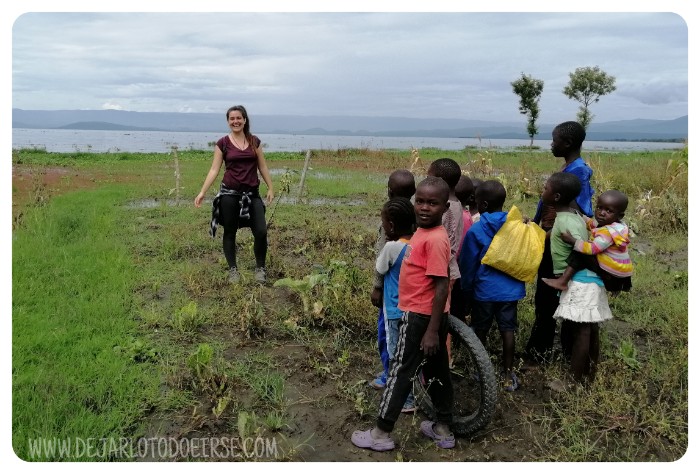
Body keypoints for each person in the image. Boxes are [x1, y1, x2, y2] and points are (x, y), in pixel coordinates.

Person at [351, 177, 454, 452]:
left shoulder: (434, 240)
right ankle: (443, 428)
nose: (423, 207)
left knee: (400, 371)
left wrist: (432, 331)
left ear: (445, 207)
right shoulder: (424, 231)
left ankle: (381, 431)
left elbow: (442, 285)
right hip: (429, 316)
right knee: (438, 371)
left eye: (432, 203)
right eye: (420, 201)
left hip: (421, 316)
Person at [525, 121, 594, 363]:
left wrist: (548, 233)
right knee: (546, 298)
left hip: (558, 244)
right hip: (552, 239)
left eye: (554, 140)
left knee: (548, 297)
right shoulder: (569, 168)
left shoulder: (578, 172)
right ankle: (545, 347)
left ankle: (543, 351)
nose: (551, 144)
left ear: (568, 143)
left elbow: (580, 210)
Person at [542, 172, 613, 384]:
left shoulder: (567, 223)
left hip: (581, 282)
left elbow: (582, 252)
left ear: (555, 197)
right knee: (589, 328)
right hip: (587, 281)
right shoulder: (572, 215)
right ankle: (588, 375)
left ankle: (572, 382)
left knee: (582, 331)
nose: (542, 191)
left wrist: (565, 277)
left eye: (545, 188)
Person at [458, 180, 526, 391]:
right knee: (508, 331)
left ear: (484, 205)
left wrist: (466, 293)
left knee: (480, 330)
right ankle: (508, 373)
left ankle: (480, 369)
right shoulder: (517, 227)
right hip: (510, 290)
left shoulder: (476, 231)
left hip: (484, 291)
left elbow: (467, 266)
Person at [194, 105, 274, 283]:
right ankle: (233, 270)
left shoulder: (255, 141)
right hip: (229, 194)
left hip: (252, 194)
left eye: (239, 118)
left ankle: (260, 268)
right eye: (232, 119)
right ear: (228, 121)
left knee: (261, 231)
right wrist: (202, 192)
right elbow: (214, 170)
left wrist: (270, 187)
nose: (235, 121)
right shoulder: (223, 143)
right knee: (230, 232)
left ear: (245, 120)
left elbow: (263, 166)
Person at [369, 169, 416, 390]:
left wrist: (376, 288)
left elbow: (380, 264)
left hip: (391, 299)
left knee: (389, 338)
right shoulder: (416, 224)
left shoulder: (390, 236)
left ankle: (390, 375)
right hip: (413, 300)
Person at [542, 190, 633, 292]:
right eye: (599, 208)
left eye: (608, 211)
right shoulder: (615, 225)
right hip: (620, 270)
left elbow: (592, 249)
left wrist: (573, 241)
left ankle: (562, 281)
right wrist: (582, 216)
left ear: (620, 216)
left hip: (610, 274)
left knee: (580, 252)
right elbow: (593, 224)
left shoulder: (608, 233)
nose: (602, 213)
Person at [427, 158, 464, 368]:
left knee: (439, 317)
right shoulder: (457, 205)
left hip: (441, 269)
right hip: (450, 268)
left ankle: (443, 360)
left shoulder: (445, 208)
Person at [451, 175, 475, 324]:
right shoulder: (468, 217)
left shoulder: (457, 215)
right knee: (457, 305)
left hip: (455, 267)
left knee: (454, 305)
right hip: (460, 268)